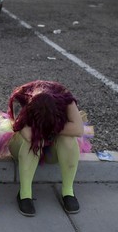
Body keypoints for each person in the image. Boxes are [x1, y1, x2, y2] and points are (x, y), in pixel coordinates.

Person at [8, 80, 84, 217]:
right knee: (33, 141)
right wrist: (47, 128)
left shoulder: (65, 98)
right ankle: (24, 194)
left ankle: (68, 191)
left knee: (68, 140)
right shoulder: (20, 97)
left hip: (52, 146)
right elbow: (28, 135)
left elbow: (78, 129)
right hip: (22, 145)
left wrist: (52, 126)